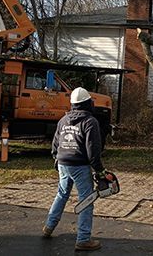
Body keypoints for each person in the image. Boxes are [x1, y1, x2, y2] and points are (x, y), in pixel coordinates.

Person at [42, 87, 109, 252]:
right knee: (87, 200)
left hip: (63, 163)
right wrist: (100, 171)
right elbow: (93, 151)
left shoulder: (63, 120)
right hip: (80, 165)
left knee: (62, 194)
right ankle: (83, 239)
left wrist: (56, 159)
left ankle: (49, 227)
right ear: (87, 103)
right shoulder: (90, 121)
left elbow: (55, 144)